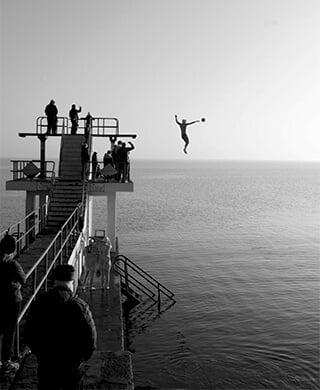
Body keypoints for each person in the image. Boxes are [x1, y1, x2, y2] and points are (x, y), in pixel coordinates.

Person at [24, 264, 96, 390]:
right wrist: (81, 358)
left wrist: (40, 354)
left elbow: (29, 332)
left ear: (55, 281)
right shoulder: (79, 305)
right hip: (72, 363)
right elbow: (90, 338)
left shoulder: (40, 302)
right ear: (72, 282)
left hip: (47, 362)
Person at [0, 233, 26, 374]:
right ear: (12, 249)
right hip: (11, 299)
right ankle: (6, 361)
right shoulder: (12, 264)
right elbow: (24, 279)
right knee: (9, 331)